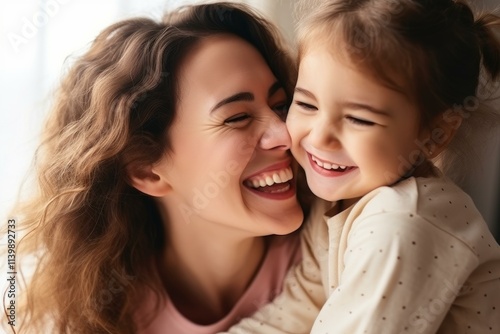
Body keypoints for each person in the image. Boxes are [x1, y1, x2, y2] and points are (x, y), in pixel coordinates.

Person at [4, 2, 312, 333]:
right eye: (237, 118)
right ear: (146, 171)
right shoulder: (101, 317)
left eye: (281, 106)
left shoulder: (342, 246)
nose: (286, 133)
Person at [224, 0, 500, 333]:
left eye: (358, 119)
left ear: (435, 134)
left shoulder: (403, 223)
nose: (321, 137)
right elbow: (298, 310)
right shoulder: (338, 200)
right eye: (306, 104)